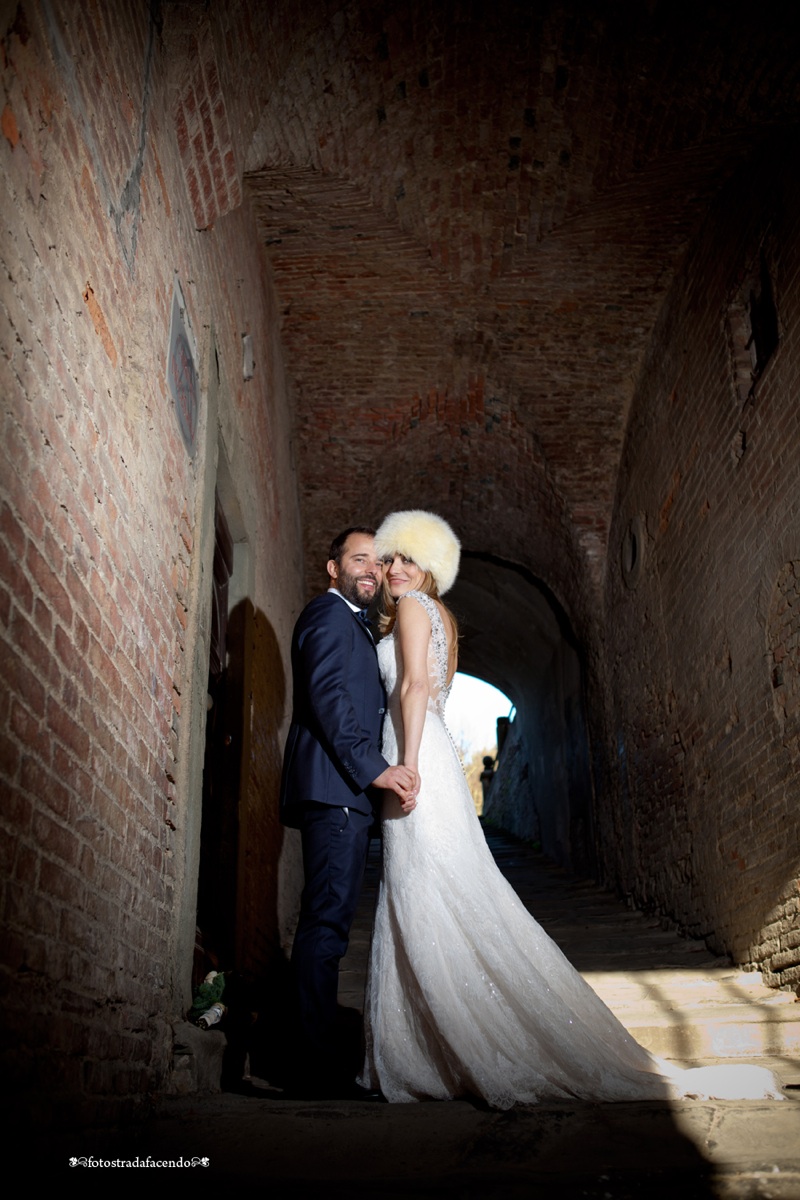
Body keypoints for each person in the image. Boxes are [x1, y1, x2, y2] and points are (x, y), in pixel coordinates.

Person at [358, 510, 784, 1108]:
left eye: (408, 559)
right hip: (432, 749)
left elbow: (412, 689)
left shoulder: (408, 610)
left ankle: (443, 1051)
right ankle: (440, 1046)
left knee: (421, 889)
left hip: (417, 753)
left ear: (430, 569)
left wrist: (405, 764)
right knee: (440, 887)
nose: (396, 569)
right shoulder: (443, 619)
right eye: (391, 558)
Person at [280, 526, 417, 1097]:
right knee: (326, 923)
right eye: (358, 559)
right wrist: (376, 768)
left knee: (330, 922)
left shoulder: (356, 624)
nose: (372, 568)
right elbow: (330, 698)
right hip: (336, 791)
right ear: (333, 568)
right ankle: (311, 1070)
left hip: (345, 796)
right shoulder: (327, 615)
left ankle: (314, 1057)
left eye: (377, 562)